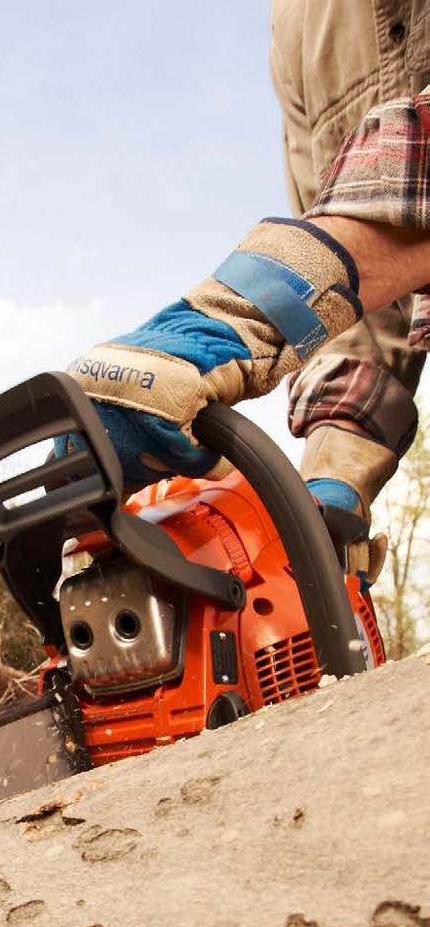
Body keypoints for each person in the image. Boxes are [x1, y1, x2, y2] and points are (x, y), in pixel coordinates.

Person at [65, 1, 430, 582]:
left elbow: (362, 238)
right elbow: (364, 308)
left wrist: (244, 315)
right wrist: (331, 482)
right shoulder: (298, 21)